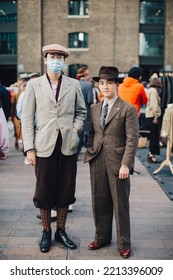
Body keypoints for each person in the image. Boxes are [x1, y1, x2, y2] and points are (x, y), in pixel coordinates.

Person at [21, 43, 86, 253]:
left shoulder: (73, 85)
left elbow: (81, 112)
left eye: (60, 56)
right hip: (43, 146)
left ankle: (61, 230)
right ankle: (46, 231)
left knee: (66, 190)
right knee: (44, 190)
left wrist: (75, 130)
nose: (56, 60)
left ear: (64, 61)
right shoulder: (34, 85)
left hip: (67, 144)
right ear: (45, 59)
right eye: (52, 56)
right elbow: (27, 117)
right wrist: (29, 148)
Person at [84, 66, 139, 258]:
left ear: (116, 85)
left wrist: (126, 164)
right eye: (101, 83)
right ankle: (101, 238)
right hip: (97, 159)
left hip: (118, 162)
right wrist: (91, 149)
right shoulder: (95, 108)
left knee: (120, 204)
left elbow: (132, 139)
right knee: (99, 201)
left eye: (109, 82)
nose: (105, 86)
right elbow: (92, 132)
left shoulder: (128, 109)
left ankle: (124, 243)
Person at [76, 66, 94, 154]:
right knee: (81, 133)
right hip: (84, 111)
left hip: (73, 112)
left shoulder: (73, 83)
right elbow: (90, 100)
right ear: (85, 75)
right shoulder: (88, 85)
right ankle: (77, 150)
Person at [145, 78, 162, 163]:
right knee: (154, 136)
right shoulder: (154, 91)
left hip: (149, 115)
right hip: (153, 116)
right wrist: (156, 115)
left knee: (152, 136)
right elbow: (154, 104)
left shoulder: (149, 90)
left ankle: (151, 155)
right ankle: (152, 156)